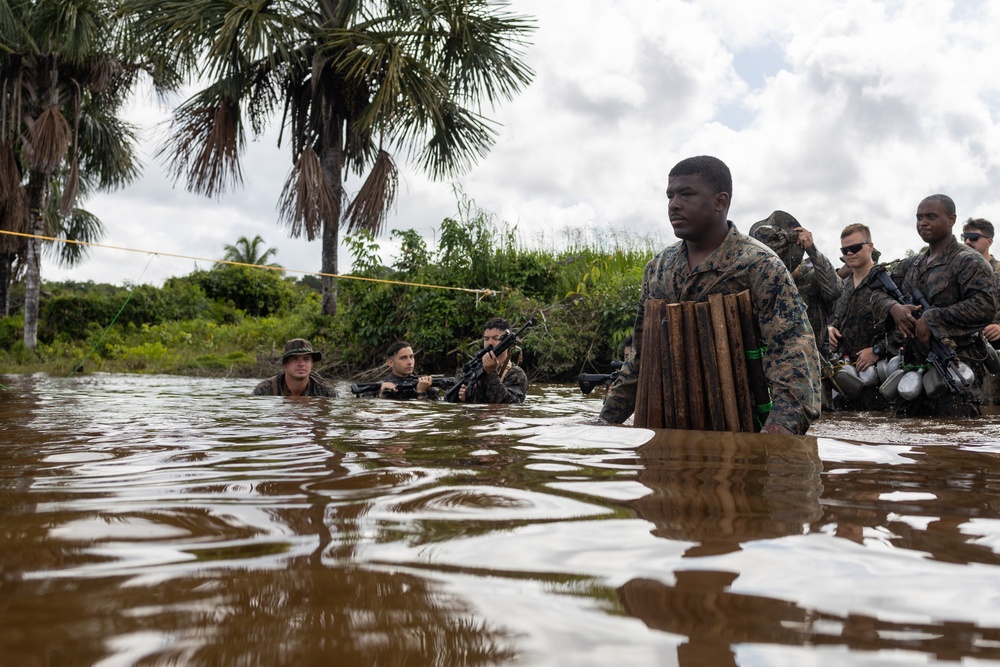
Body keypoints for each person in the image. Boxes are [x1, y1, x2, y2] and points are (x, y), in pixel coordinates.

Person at [600, 155, 821, 434]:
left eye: (687, 194)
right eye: (670, 196)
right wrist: (605, 423)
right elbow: (641, 357)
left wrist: (781, 429)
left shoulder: (759, 265)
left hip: (742, 428)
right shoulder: (658, 269)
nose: (674, 205)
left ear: (720, 202)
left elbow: (793, 350)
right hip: (666, 428)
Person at [869, 195, 996, 417]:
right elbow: (876, 289)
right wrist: (893, 308)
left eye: (931, 217)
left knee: (955, 443)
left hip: (954, 367)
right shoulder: (912, 264)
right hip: (913, 369)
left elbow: (984, 306)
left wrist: (933, 318)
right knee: (909, 443)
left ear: (951, 219)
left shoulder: (969, 261)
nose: (922, 223)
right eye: (919, 217)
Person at [750, 211, 842, 347]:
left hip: (812, 361)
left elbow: (835, 290)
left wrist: (812, 250)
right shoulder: (761, 281)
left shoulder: (813, 277)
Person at [825, 223, 888, 410]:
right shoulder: (841, 287)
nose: (849, 253)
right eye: (845, 250)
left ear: (870, 247)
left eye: (855, 248)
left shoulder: (887, 283)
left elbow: (904, 329)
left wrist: (877, 351)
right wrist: (830, 329)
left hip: (878, 380)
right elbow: (833, 318)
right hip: (845, 377)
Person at [456, 317, 529, 404]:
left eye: (495, 338)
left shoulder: (517, 374)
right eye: (486, 339)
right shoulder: (473, 368)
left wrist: (491, 372)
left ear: (506, 342)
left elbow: (509, 404)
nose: (489, 343)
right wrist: (465, 398)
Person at [252, 338, 338, 396]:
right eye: (295, 359)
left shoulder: (326, 392)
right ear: (284, 363)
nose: (301, 364)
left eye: (306, 359)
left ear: (312, 363)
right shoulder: (264, 390)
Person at [962, 218, 1000, 345]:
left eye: (974, 237)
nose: (967, 241)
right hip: (962, 342)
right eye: (965, 237)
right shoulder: (957, 271)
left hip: (993, 343)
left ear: (989, 241)